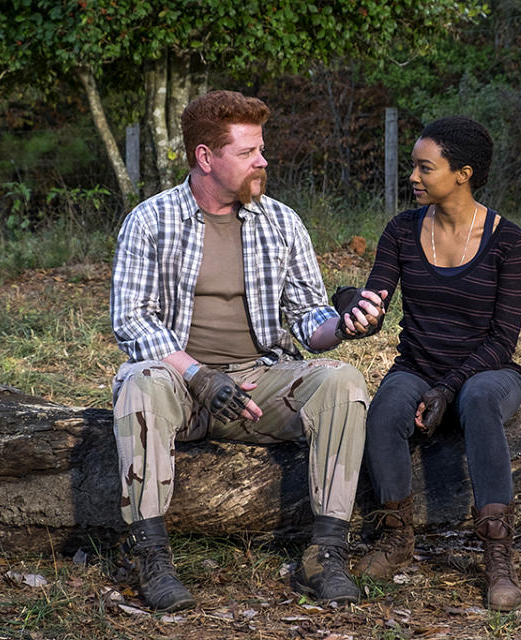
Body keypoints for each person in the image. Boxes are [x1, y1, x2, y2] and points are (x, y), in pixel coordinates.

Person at [109, 90, 385, 612]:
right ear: (205, 158)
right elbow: (132, 320)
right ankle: (150, 556)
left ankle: (324, 553)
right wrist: (201, 379)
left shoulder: (281, 222)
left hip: (258, 384)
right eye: (248, 152)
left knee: (342, 380)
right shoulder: (150, 221)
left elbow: (308, 319)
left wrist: (344, 325)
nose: (262, 160)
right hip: (178, 385)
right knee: (141, 382)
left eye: (262, 149)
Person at [345, 116, 521, 611]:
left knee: (478, 397)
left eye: (425, 167)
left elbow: (502, 341)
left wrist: (448, 388)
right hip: (418, 366)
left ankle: (497, 555)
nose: (413, 176)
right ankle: (396, 537)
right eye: (413, 166)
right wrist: (354, 305)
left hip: (487, 372)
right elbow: (375, 299)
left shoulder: (508, 241)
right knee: (385, 408)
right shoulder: (403, 231)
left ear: (463, 174)